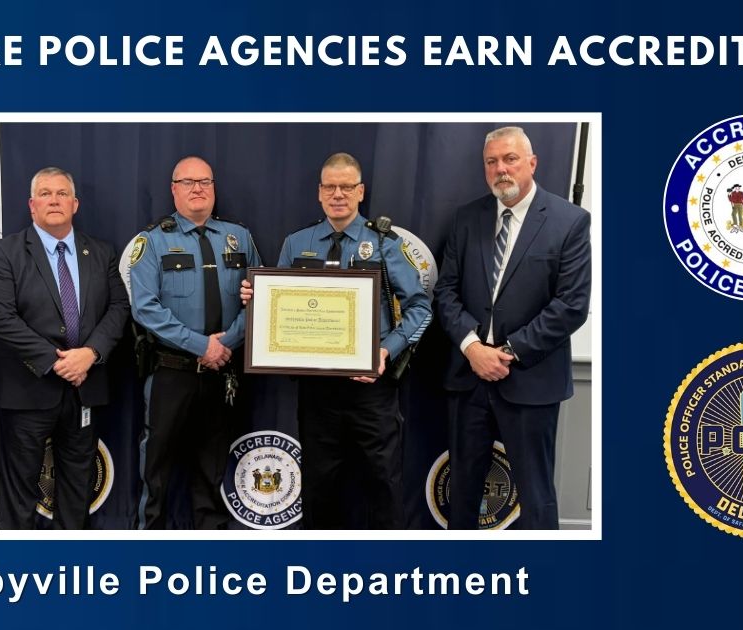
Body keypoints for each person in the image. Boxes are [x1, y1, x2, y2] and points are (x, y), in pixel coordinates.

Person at [242, 152, 432, 529]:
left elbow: (421, 309)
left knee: (383, 482)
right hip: (318, 393)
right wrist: (257, 299)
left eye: (347, 186)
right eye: (330, 186)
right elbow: (280, 309)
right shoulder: (297, 243)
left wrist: (386, 351)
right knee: (319, 486)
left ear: (361, 191)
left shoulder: (385, 244)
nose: (338, 194)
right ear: (319, 193)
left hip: (371, 388)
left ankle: (386, 569)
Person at [434, 127, 591, 530]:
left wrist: (507, 352)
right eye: (492, 161)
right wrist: (472, 347)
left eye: (510, 159)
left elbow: (571, 306)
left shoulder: (569, 221)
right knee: (463, 492)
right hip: (468, 379)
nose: (501, 169)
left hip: (530, 379)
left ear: (532, 163)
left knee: (536, 497)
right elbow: (446, 292)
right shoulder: (467, 218)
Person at [0, 167, 129, 529]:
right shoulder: (5, 253)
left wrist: (90, 354)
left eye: (62, 194)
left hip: (84, 387)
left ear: (75, 204)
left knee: (78, 482)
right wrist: (54, 360)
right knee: (20, 487)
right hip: (27, 387)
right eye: (45, 194)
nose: (54, 200)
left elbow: (119, 308)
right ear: (32, 205)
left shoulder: (102, 252)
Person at [129, 156, 260, 529]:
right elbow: (145, 309)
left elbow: (263, 296)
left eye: (204, 181)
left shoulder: (239, 238)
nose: (197, 189)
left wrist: (227, 342)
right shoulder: (152, 241)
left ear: (214, 188)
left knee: (212, 462)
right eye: (187, 182)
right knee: (155, 465)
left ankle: (210, 540)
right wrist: (202, 345)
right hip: (173, 371)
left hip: (222, 371)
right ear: (174, 190)